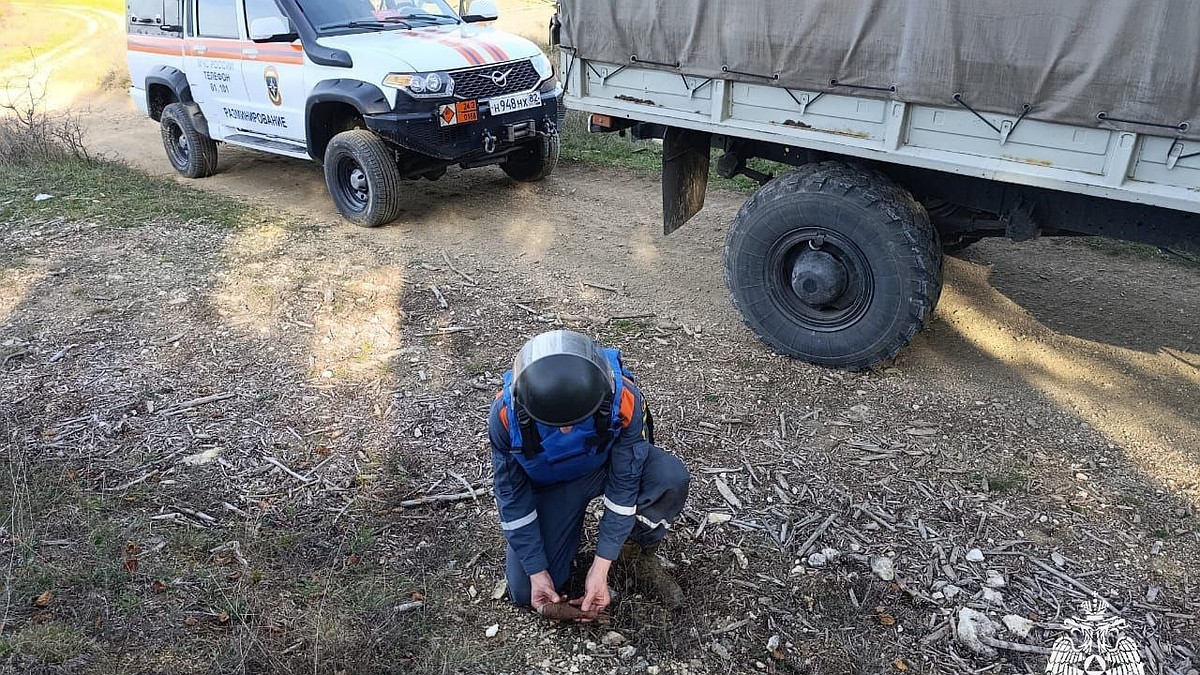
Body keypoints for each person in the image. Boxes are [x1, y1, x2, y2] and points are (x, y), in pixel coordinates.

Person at [489, 330, 690, 614]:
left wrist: (602, 564)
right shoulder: (505, 417)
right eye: (554, 423)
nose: (567, 430)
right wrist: (535, 570)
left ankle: (633, 553)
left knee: (668, 477)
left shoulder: (622, 398)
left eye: (576, 419)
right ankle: (561, 535)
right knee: (525, 591)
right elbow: (512, 498)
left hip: (602, 469)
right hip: (551, 488)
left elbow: (626, 481)